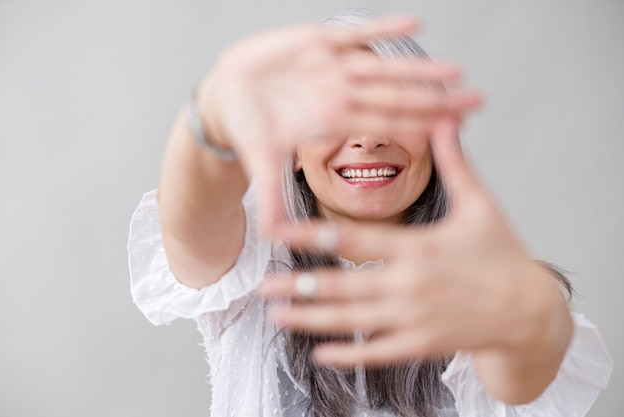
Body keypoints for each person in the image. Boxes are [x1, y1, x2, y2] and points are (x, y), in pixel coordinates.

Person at [128, 13, 612, 417]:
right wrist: (212, 111)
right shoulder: (250, 272)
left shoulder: (483, 287)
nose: (369, 138)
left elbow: (522, 369)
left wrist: (528, 322)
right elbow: (190, 224)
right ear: (291, 148)